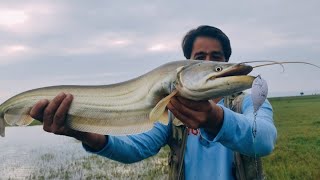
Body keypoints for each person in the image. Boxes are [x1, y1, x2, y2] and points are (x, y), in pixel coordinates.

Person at [30, 25, 277, 179]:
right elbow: (136, 148)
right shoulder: (171, 110)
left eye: (217, 59)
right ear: (186, 65)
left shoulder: (249, 103)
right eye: (199, 58)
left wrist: (215, 119)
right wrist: (85, 133)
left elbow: (264, 140)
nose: (208, 62)